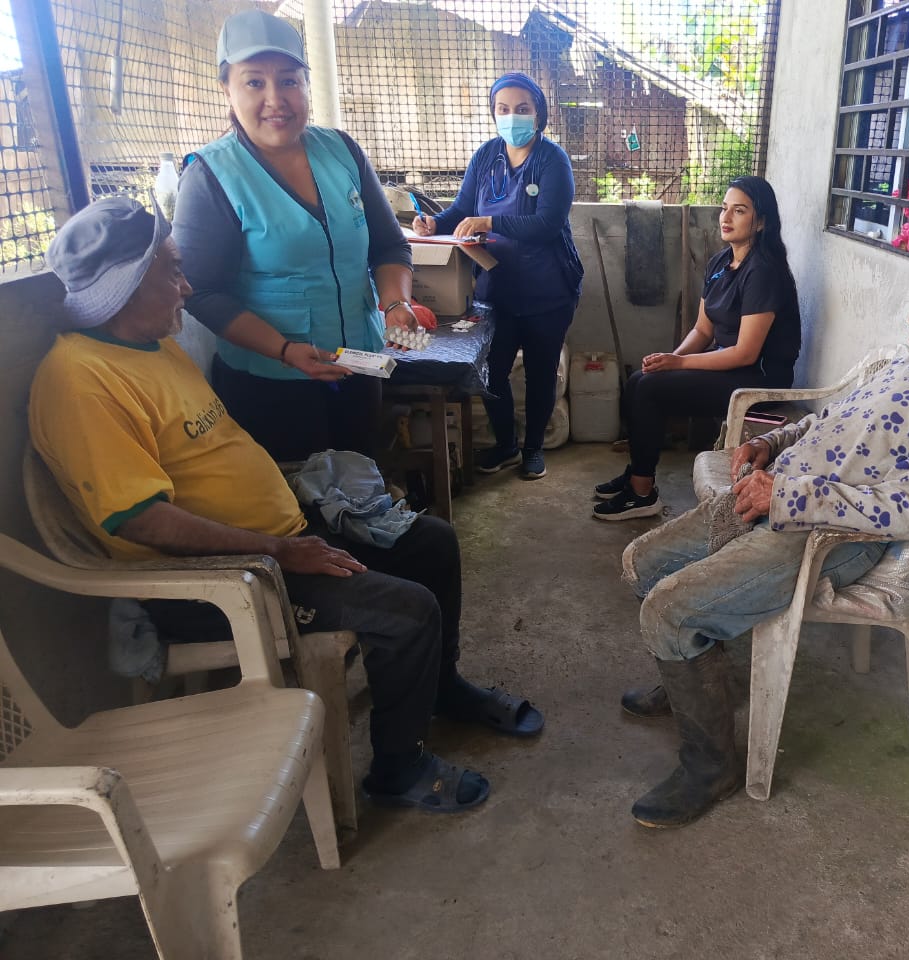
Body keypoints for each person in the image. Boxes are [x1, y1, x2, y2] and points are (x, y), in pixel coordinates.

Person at [30, 197, 545, 814]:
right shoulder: (82, 382)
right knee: (406, 609)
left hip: (280, 537)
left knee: (431, 542)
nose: (186, 287)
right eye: (172, 272)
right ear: (125, 288)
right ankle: (397, 769)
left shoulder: (150, 347)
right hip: (221, 580)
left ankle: (443, 689)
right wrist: (279, 550)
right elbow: (139, 520)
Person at [617, 246, 909, 828]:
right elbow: (830, 422)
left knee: (669, 610)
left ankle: (711, 766)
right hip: (777, 497)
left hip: (831, 538)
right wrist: (772, 444)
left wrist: (785, 496)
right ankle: (696, 674)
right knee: (642, 562)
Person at [173, 10, 424, 461]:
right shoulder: (211, 175)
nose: (276, 99)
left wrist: (395, 304)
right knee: (297, 494)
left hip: (357, 366)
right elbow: (201, 291)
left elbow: (389, 246)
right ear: (227, 88)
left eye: (288, 80)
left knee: (360, 480)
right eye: (254, 82)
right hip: (270, 384)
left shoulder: (342, 151)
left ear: (306, 85)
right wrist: (284, 349)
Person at [593, 175, 801, 521]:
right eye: (725, 208)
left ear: (761, 222)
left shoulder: (764, 272)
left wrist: (679, 365)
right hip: (728, 366)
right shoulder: (721, 263)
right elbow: (703, 329)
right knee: (640, 381)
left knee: (650, 391)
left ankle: (642, 494)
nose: (726, 218)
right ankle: (636, 475)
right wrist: (670, 359)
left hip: (758, 378)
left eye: (739, 211)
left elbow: (746, 353)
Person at [413, 72, 583, 481]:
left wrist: (489, 221)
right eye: (503, 109)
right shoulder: (487, 155)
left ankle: (533, 448)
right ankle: (506, 443)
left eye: (522, 108)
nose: (512, 117)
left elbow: (547, 223)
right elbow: (461, 211)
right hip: (496, 290)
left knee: (541, 374)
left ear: (539, 113)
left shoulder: (552, 160)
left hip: (547, 291)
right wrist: (433, 224)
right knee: (490, 371)